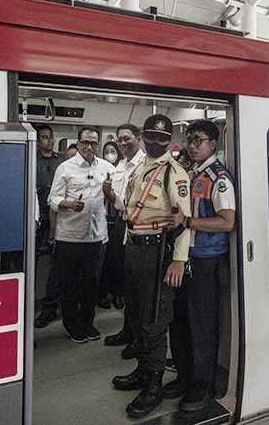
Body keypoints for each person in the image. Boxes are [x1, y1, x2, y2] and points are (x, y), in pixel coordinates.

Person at [111, 115, 191, 419]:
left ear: (169, 141)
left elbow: (183, 222)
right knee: (135, 315)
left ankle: (154, 385)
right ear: (144, 137)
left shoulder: (175, 173)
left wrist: (179, 260)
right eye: (150, 137)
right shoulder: (141, 167)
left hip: (158, 253)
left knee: (154, 319)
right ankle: (143, 372)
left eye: (161, 138)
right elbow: (130, 209)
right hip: (134, 248)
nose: (155, 142)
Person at [166, 119, 236, 412]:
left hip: (206, 262)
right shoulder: (188, 173)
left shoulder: (219, 177)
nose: (191, 146)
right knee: (179, 322)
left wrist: (190, 222)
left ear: (213, 145)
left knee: (202, 327)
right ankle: (184, 376)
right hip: (183, 258)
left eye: (198, 140)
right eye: (189, 140)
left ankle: (201, 386)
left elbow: (227, 221)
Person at [48, 127, 116, 343]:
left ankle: (88, 323)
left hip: (96, 237)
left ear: (98, 145)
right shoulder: (65, 168)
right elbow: (52, 199)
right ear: (78, 143)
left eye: (93, 143)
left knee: (91, 284)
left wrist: (110, 194)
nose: (89, 147)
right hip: (69, 236)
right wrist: (68, 203)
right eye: (85, 142)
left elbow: (114, 200)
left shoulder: (107, 167)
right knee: (69, 284)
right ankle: (72, 325)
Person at [104, 124, 147, 358]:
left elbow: (134, 202)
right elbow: (119, 201)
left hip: (136, 226)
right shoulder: (120, 164)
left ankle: (139, 339)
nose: (122, 143)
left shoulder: (143, 164)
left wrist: (115, 199)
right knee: (126, 284)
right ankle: (127, 331)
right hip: (120, 223)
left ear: (138, 138)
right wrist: (110, 196)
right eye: (119, 139)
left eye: (127, 138)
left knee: (137, 289)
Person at [33, 124, 65, 329]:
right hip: (36, 218)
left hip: (59, 217)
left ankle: (50, 308)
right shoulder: (30, 157)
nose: (48, 140)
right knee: (31, 265)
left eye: (50, 137)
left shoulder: (62, 161)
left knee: (57, 266)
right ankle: (27, 307)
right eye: (44, 137)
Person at [98, 141, 124, 309]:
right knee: (104, 262)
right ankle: (102, 294)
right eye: (106, 151)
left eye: (112, 151)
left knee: (118, 260)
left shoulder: (122, 171)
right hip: (103, 220)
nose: (110, 154)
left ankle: (118, 293)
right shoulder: (100, 170)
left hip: (119, 220)